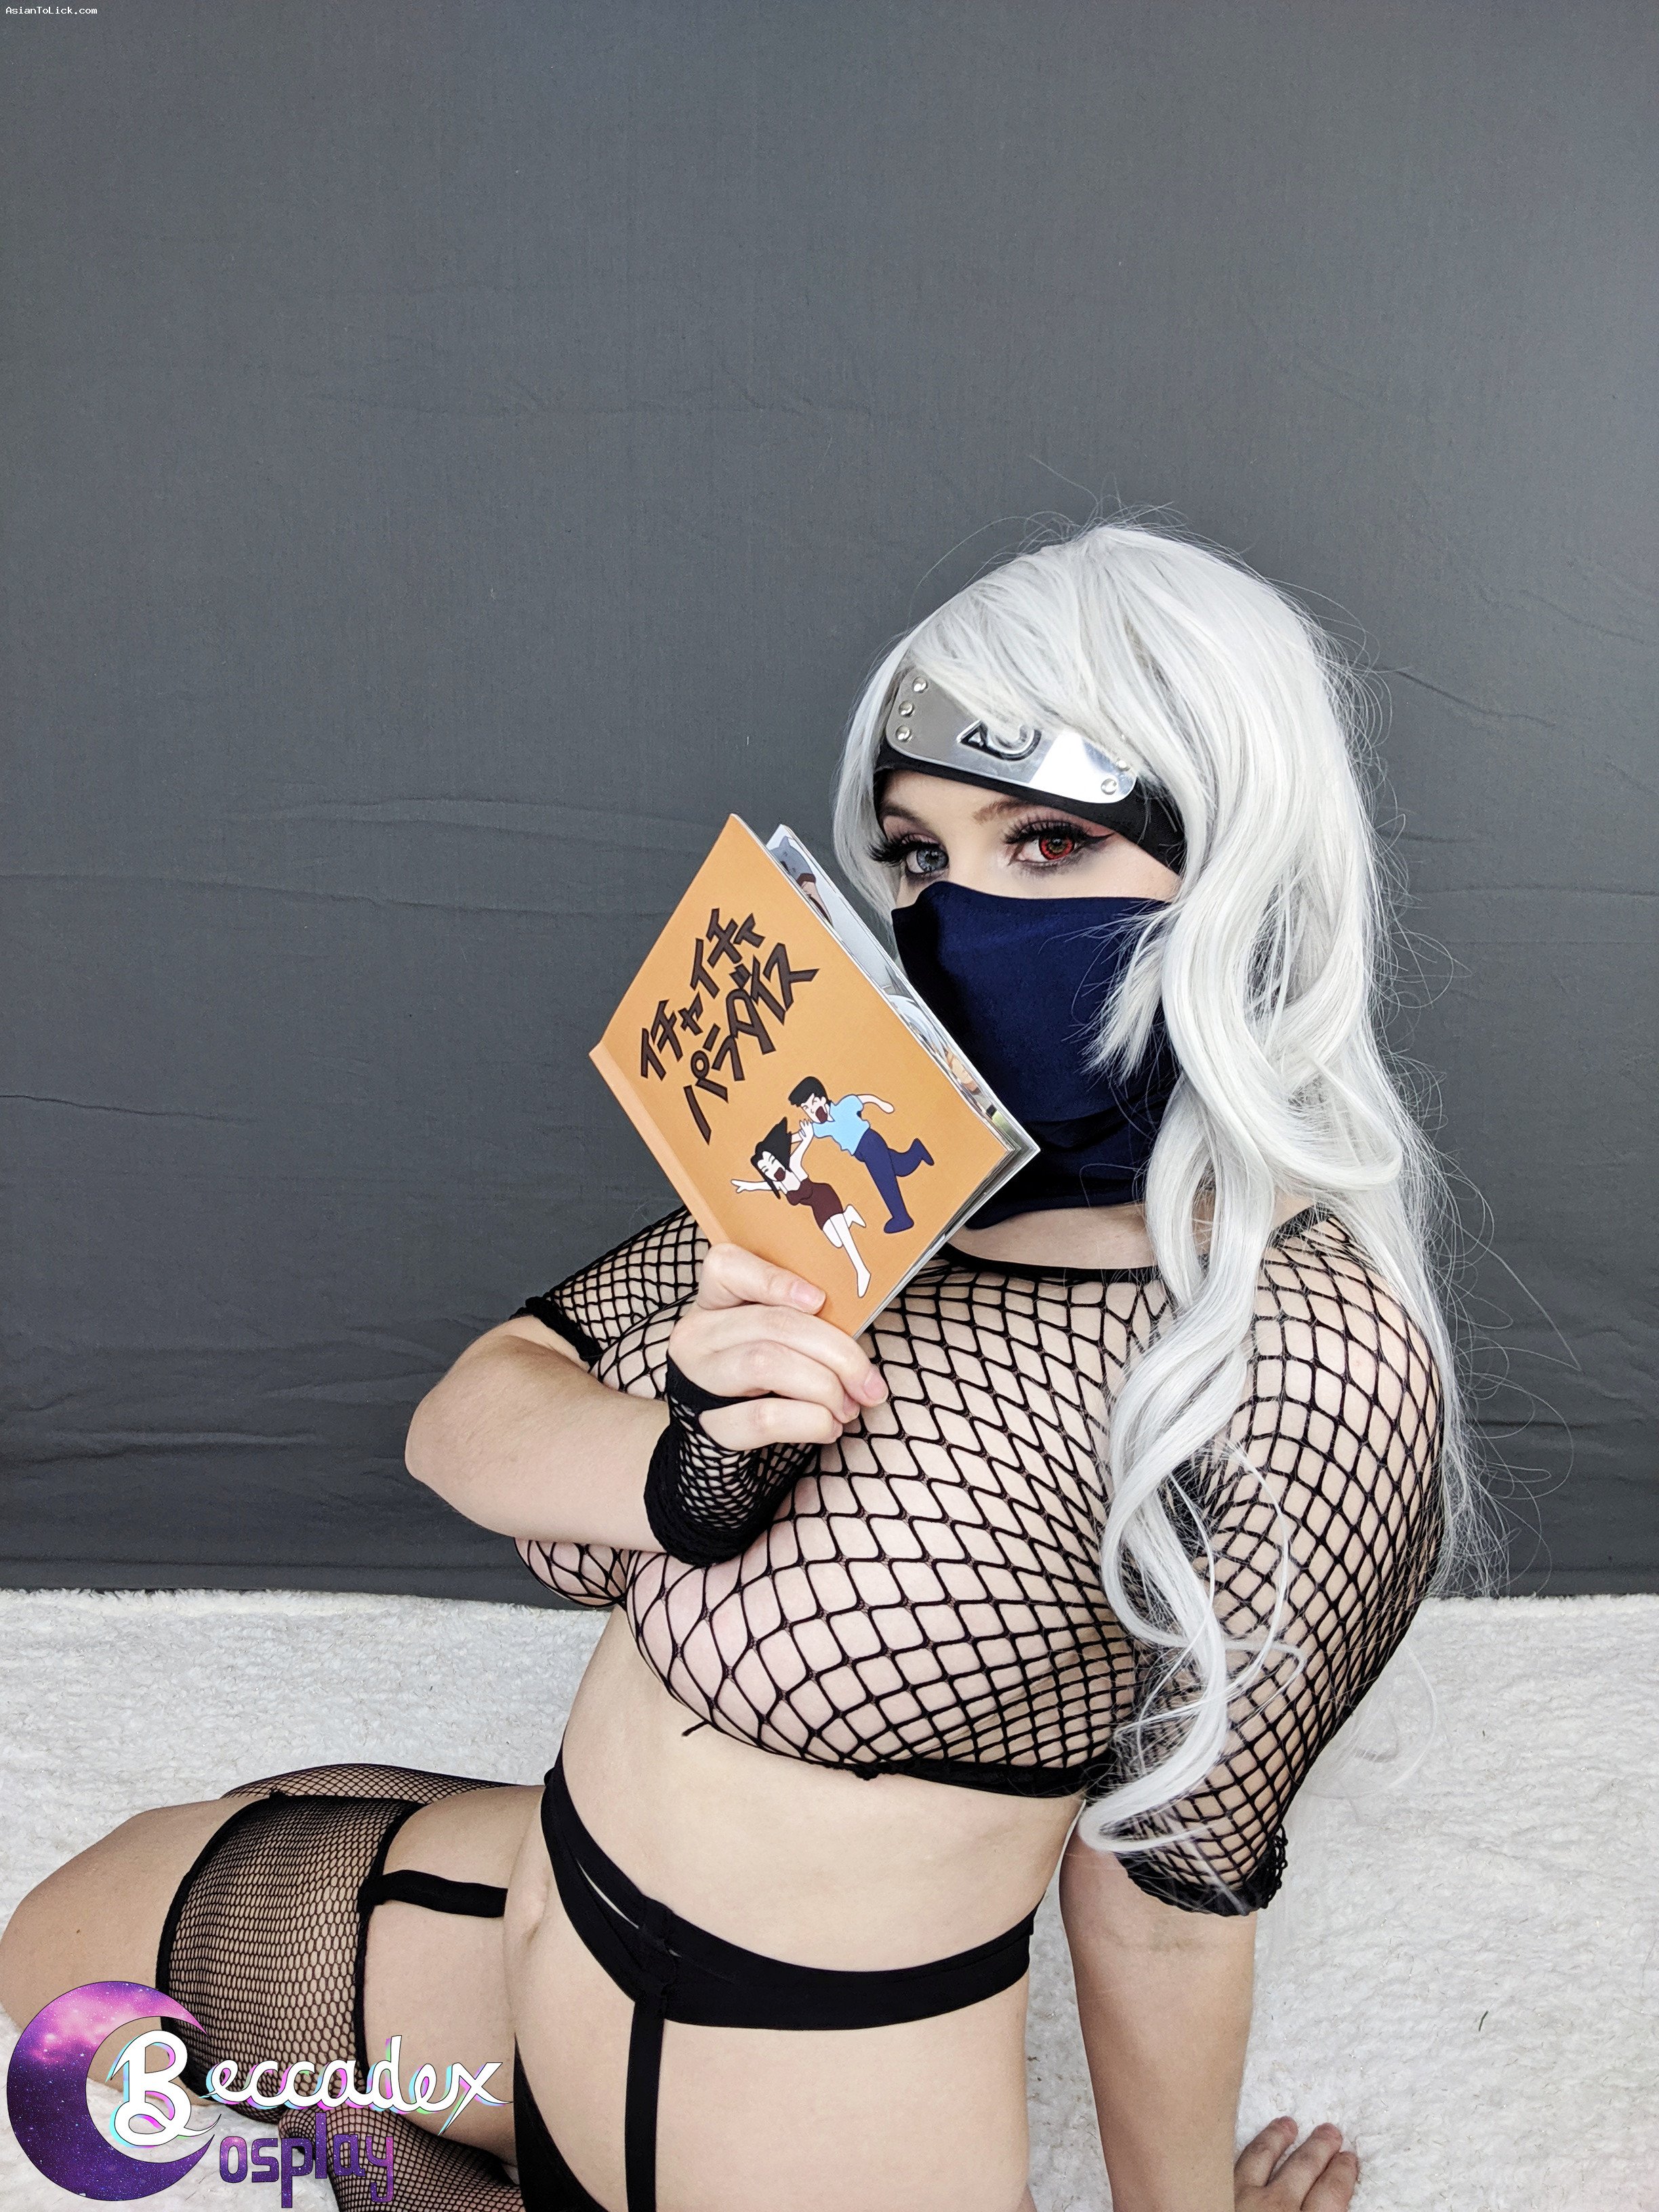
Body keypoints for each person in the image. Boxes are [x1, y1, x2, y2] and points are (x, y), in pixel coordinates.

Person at [0, 521, 1495, 2212]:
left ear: (1241, 859)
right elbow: (466, 1415)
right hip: (541, 1916)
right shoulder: (863, 1171)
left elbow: (1166, 1895)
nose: (956, 917)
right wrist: (680, 1469)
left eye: (1049, 839)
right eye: (916, 853)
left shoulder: (1307, 1351)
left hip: (807, 2097)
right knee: (57, 1972)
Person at [731, 1116, 873, 1297]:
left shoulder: (793, 1165)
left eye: (772, 1162)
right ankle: (849, 1215)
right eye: (766, 1170)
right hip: (817, 1209)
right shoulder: (779, 1184)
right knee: (837, 1242)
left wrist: (806, 1135)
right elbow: (763, 1186)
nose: (772, 1170)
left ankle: (861, 1270)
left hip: (825, 1196)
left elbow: (805, 1142)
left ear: (778, 1157)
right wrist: (748, 1186)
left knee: (845, 1238)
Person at [786, 1076, 935, 1233]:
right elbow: (802, 1135)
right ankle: (917, 1151)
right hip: (862, 1152)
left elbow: (864, 1099)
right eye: (806, 1109)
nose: (811, 1111)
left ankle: (902, 1218)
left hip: (870, 1143)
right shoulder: (822, 1127)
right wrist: (782, 1143)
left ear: (822, 1099)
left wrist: (882, 1104)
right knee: (900, 1167)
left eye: (813, 1103)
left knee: (885, 1180)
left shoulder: (844, 1106)